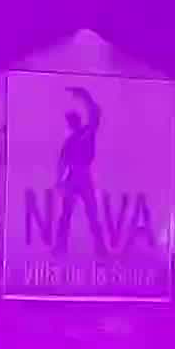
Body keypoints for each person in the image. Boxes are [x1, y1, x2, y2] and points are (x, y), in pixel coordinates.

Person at [51, 86, 101, 251]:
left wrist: (85, 96)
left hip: (83, 176)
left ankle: (100, 247)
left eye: (72, 121)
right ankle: (61, 246)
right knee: (67, 213)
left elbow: (94, 114)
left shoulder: (86, 133)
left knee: (91, 213)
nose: (71, 124)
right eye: (70, 122)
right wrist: (60, 182)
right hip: (74, 176)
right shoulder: (70, 142)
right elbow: (62, 162)